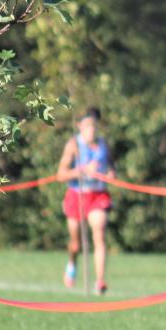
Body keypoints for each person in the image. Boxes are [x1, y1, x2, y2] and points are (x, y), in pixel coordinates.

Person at [56, 108, 115, 294]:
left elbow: (111, 167)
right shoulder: (74, 145)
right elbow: (61, 174)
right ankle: (72, 264)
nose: (92, 129)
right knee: (76, 244)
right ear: (79, 126)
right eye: (88, 125)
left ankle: (99, 281)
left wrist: (111, 174)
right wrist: (81, 170)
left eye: (94, 125)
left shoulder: (104, 145)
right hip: (77, 194)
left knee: (99, 232)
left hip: (97, 194)